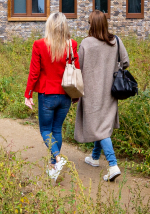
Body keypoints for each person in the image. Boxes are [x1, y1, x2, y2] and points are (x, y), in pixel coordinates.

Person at [75, 10, 130, 182]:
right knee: (103, 124)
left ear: (92, 24)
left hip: (91, 92)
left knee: (100, 127)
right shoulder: (116, 41)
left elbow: (78, 66)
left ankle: (113, 165)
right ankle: (94, 157)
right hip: (110, 91)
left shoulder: (86, 43)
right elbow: (126, 62)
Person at [24, 12, 80, 181]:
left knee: (45, 130)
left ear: (49, 26)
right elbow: (76, 70)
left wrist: (28, 94)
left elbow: (34, 72)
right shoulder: (72, 45)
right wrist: (76, 95)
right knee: (56, 130)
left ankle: (57, 158)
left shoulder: (39, 45)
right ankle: (54, 167)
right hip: (65, 95)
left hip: (47, 94)